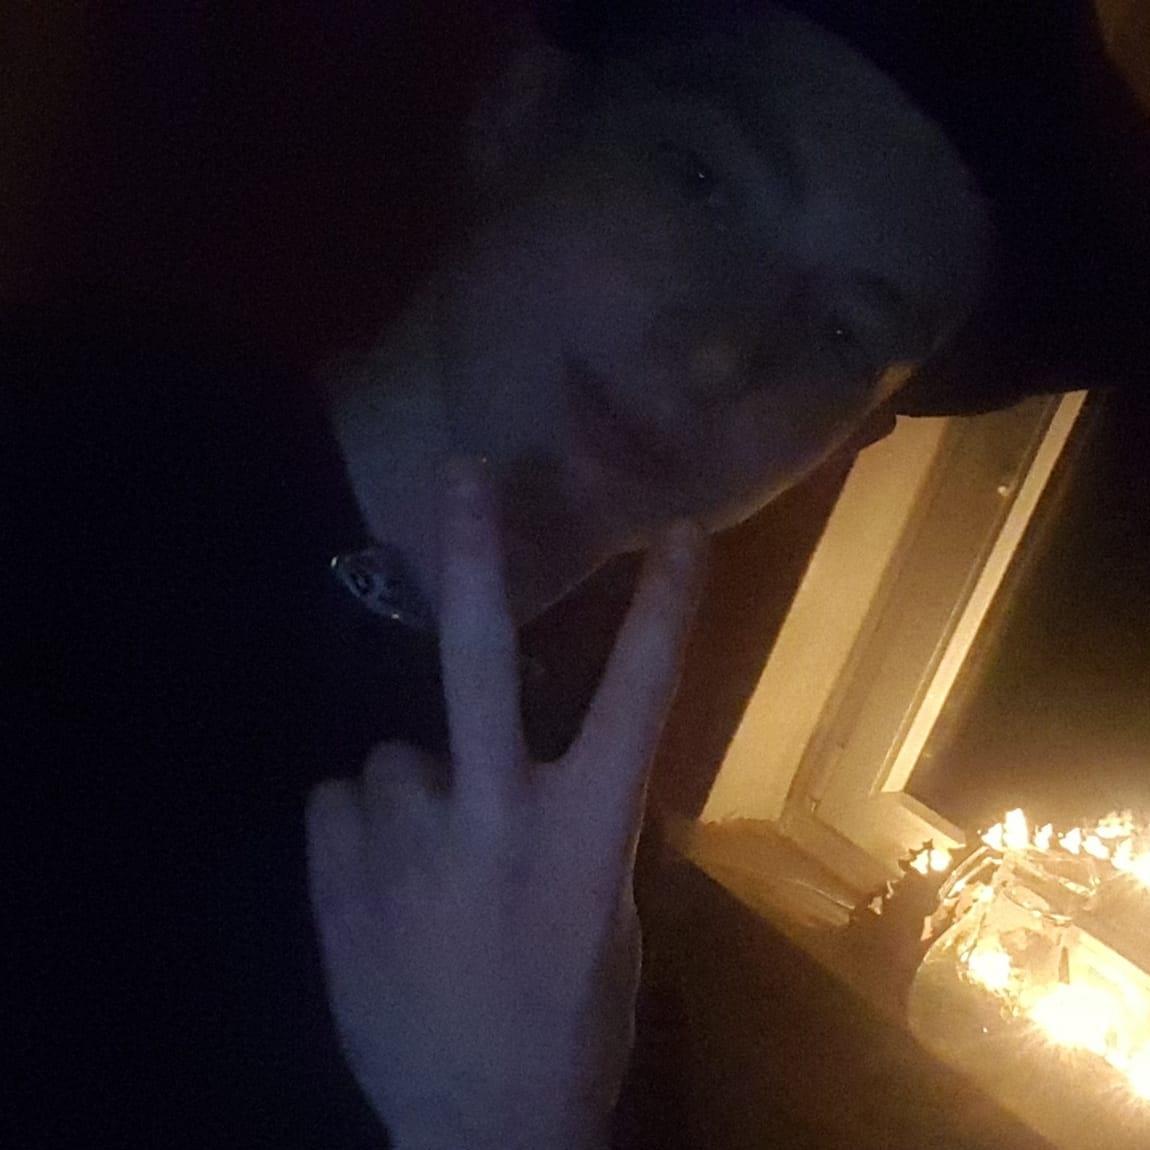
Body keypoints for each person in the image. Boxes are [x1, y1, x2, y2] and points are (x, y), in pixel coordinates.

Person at [8, 3, 1146, 1149]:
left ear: (845, 441)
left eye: (842, 333)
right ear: (523, 111)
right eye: (700, 182)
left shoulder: (597, 889)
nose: (723, 352)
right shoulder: (53, 462)